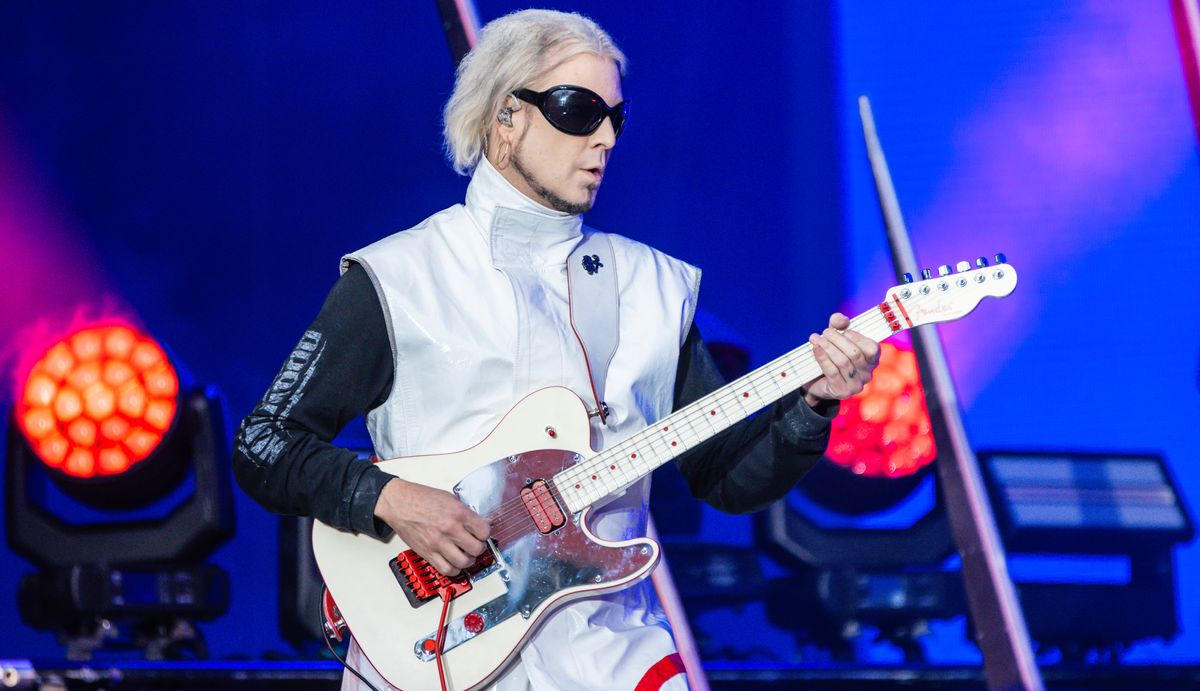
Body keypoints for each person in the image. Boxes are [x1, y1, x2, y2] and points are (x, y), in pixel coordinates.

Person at [232, 9, 879, 691]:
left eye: (615, 118)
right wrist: (389, 496)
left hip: (614, 654)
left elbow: (727, 479)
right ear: (505, 116)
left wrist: (811, 407)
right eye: (578, 110)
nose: (603, 138)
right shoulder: (399, 277)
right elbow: (263, 443)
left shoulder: (652, 287)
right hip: (435, 646)